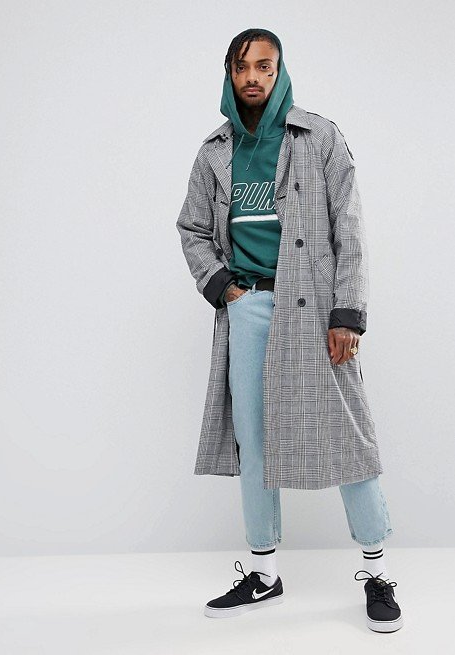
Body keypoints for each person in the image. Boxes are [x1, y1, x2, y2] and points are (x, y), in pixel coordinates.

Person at [176, 28, 403, 633]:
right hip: (249, 305)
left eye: (265, 66)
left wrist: (347, 314)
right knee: (253, 441)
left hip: (315, 309)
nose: (253, 77)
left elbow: (349, 228)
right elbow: (192, 228)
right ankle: (264, 573)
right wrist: (225, 288)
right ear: (229, 73)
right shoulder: (214, 151)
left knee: (348, 435)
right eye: (242, 66)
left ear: (279, 72)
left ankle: (377, 573)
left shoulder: (318, 136)